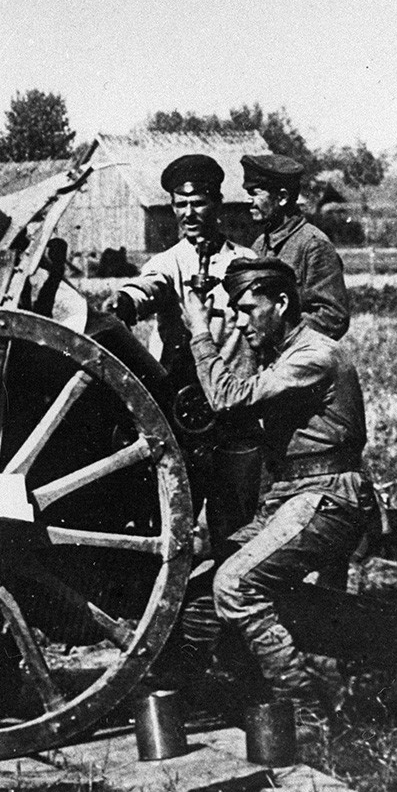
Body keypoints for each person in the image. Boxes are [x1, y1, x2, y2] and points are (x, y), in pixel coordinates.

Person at [176, 259, 373, 725]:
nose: (240, 323)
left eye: (248, 309)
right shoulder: (283, 355)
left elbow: (229, 397)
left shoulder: (314, 357)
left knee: (235, 585)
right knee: (201, 596)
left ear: (281, 303)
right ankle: (202, 696)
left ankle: (307, 717)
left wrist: (200, 334)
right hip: (292, 496)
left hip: (327, 498)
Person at [107, 153, 261, 554]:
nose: (189, 213)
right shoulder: (167, 263)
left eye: (198, 202)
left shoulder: (246, 264)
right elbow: (150, 287)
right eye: (180, 204)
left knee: (235, 527)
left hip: (233, 411)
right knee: (170, 520)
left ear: (216, 203)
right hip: (180, 411)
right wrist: (126, 301)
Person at [241, 154, 351, 339]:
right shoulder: (260, 244)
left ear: (283, 197)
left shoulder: (313, 245)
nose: (248, 201)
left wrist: (279, 331)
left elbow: (333, 317)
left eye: (255, 193)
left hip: (297, 360)